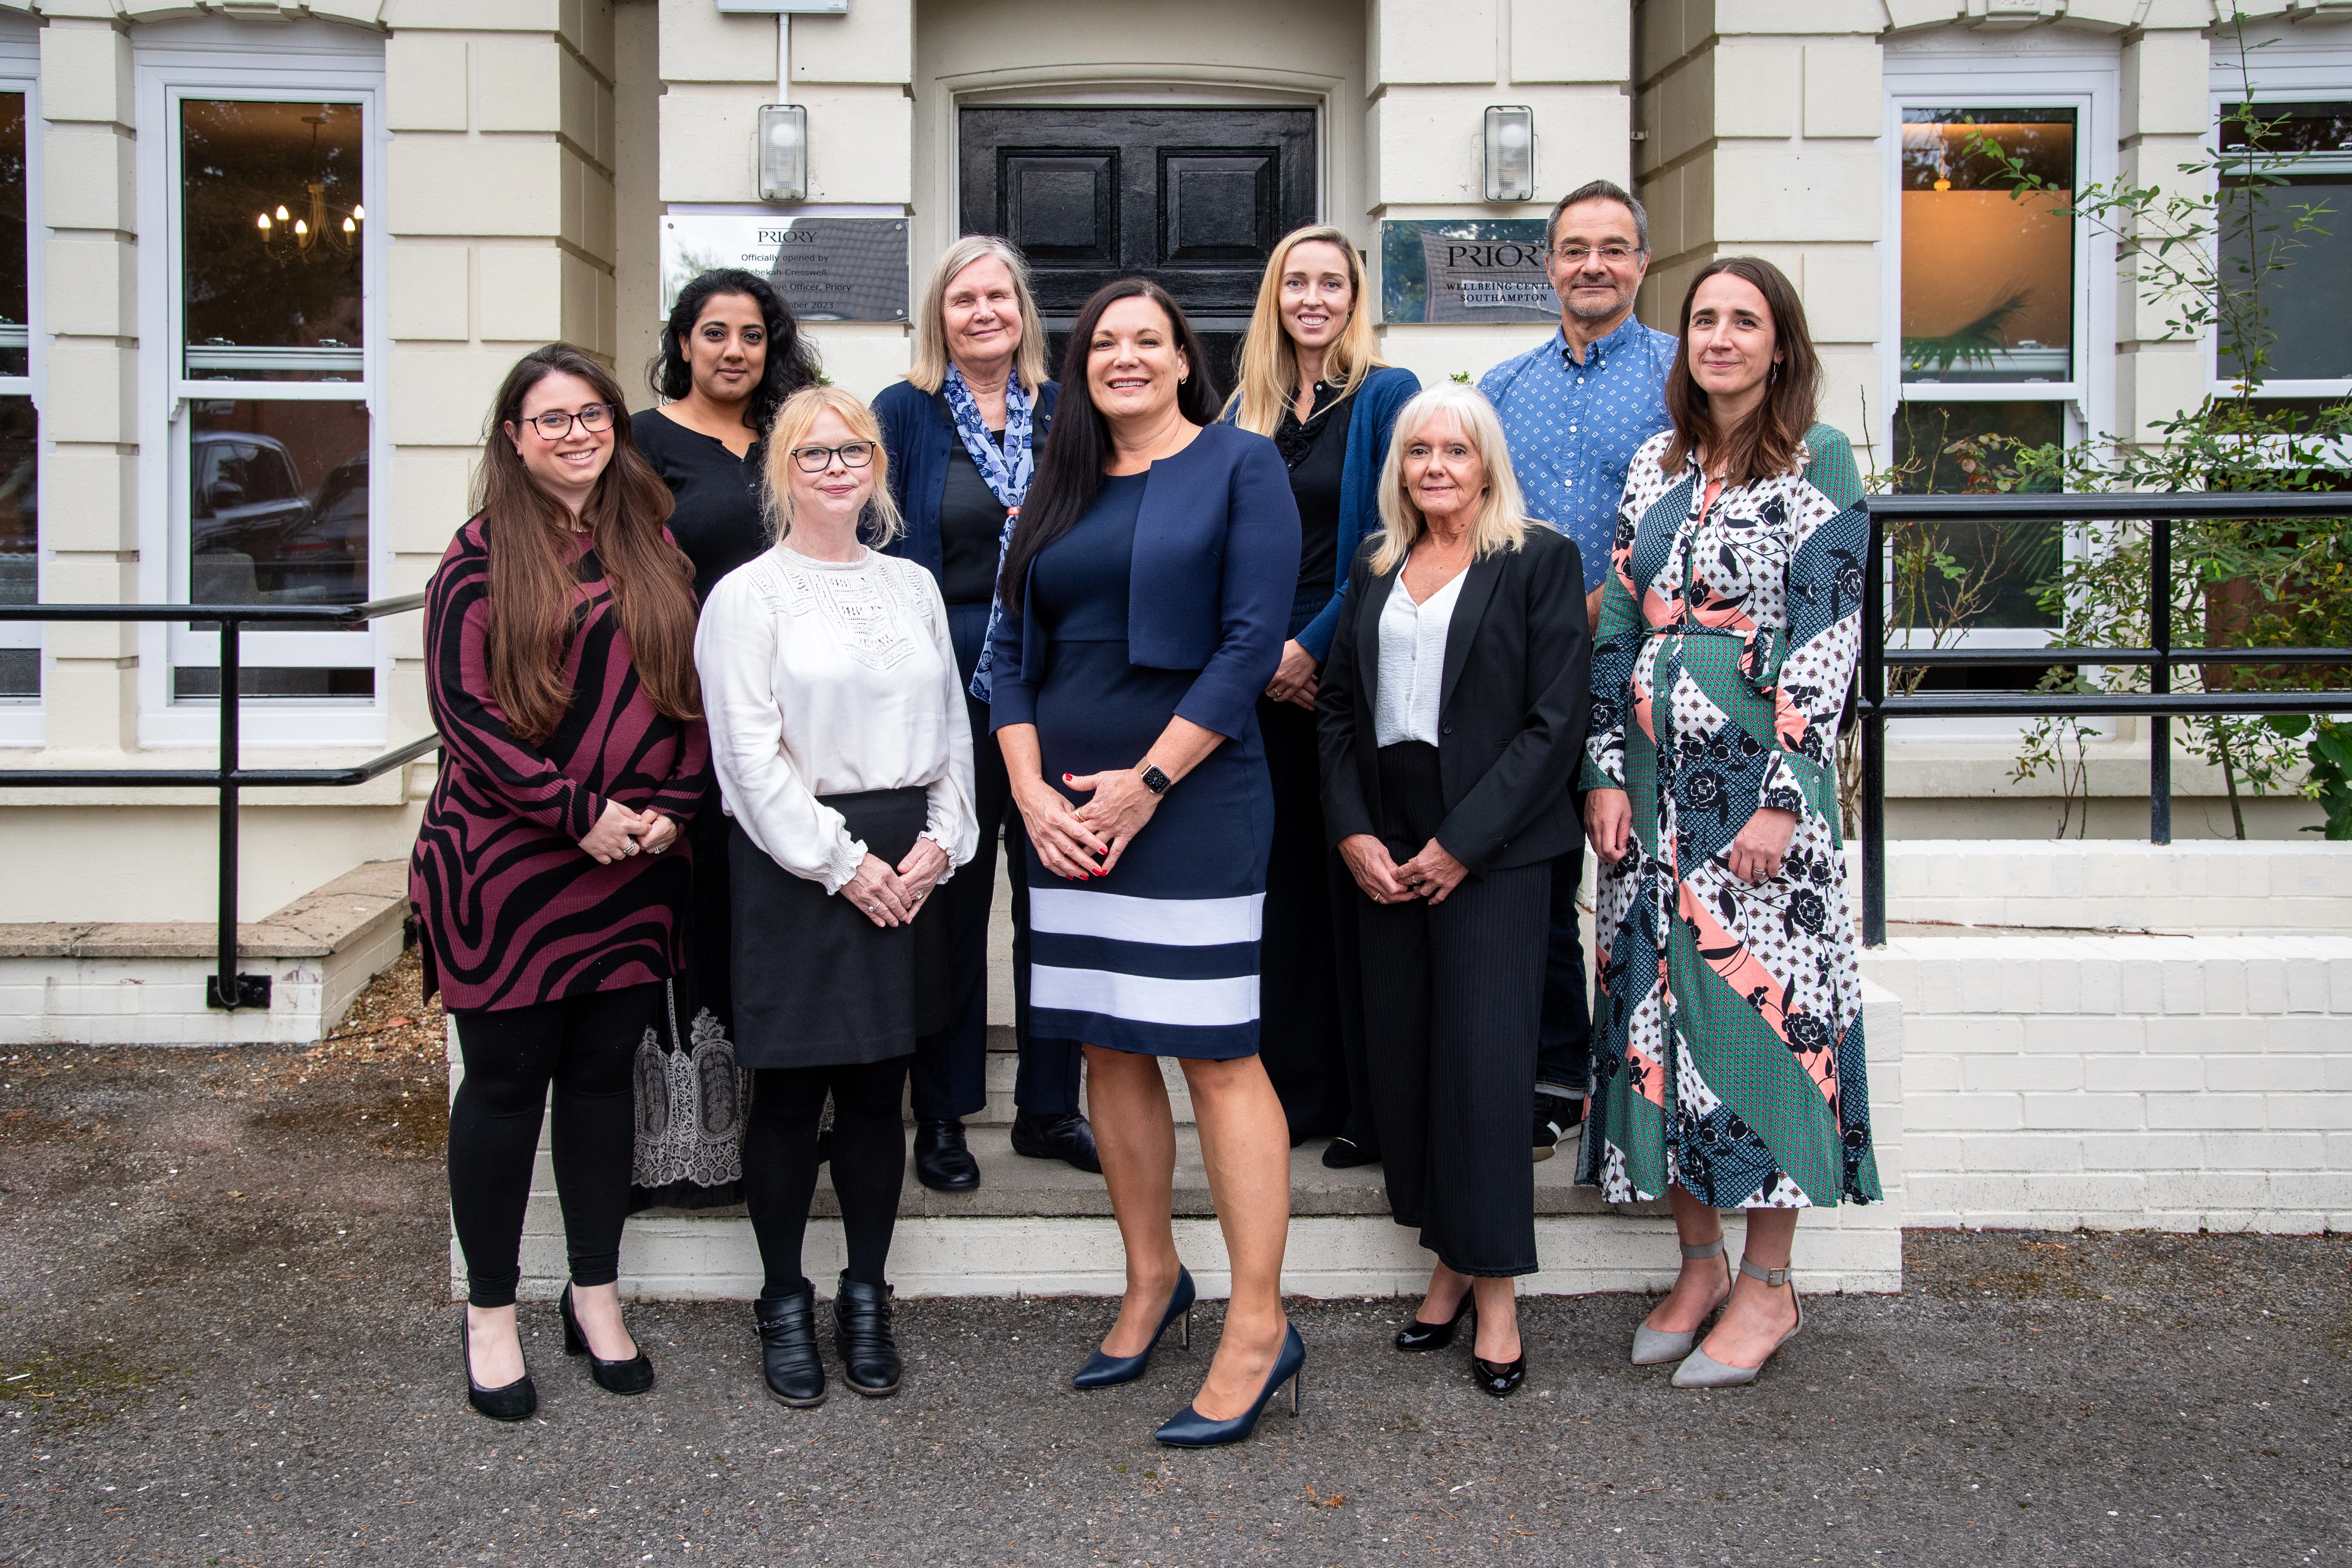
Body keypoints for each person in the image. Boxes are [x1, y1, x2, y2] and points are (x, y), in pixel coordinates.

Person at [986, 278, 1304, 1447]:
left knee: (1218, 1056)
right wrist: (1027, 791)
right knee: (1106, 1046)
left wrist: (1148, 784)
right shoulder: (1055, 488)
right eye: (1102, 343)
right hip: (1065, 809)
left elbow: (1249, 646)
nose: (1123, 357)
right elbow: (1010, 652)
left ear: (1184, 360)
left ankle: (1261, 1323)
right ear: (1081, 370)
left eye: (1146, 341)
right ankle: (1150, 1279)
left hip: (1193, 798)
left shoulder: (1240, 467)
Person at [1581, 256, 1881, 1389]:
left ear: (1780, 343)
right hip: (1651, 802)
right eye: (1703, 318)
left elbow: (1827, 635)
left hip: (1757, 797)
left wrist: (1788, 796)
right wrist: (1603, 775)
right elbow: (1614, 629)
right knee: (1662, 1021)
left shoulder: (1821, 461)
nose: (1718, 337)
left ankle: (1769, 1286)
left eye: (1742, 321)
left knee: (1761, 1030)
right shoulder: (1656, 465)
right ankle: (1698, 1262)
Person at [412, 343, 710, 1421]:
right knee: (503, 1089)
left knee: (598, 1086)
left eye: (592, 414)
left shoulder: (652, 543)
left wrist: (672, 807)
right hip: (507, 866)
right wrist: (579, 815)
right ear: (513, 438)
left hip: (635, 870)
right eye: (552, 419)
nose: (577, 433)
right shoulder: (475, 560)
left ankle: (595, 1295)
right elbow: (466, 720)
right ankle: (492, 1311)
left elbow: (691, 698)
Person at [697, 384, 978, 1407]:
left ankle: (867, 1294)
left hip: (909, 864)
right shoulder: (746, 597)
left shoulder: (910, 587)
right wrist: (844, 863)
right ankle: (782, 1300)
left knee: (875, 1095)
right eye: (812, 453)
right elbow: (746, 759)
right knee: (787, 1098)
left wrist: (942, 844)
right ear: (783, 470)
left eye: (851, 449)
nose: (835, 466)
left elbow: (952, 731)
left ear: (876, 464)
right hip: (798, 861)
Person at [1315, 383, 1591, 1401]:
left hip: (1496, 843)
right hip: (1383, 835)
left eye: (1456, 450)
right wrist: (1350, 829)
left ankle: (1497, 1296)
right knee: (1410, 1062)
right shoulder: (1377, 562)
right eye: (1419, 449)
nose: (1436, 465)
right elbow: (1338, 709)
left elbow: (1554, 722)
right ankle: (1446, 1264)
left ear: (1488, 463)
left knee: (1482, 1070)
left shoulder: (1539, 561)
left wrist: (1463, 843)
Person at [874, 236, 1096, 1192]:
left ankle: (1050, 1105)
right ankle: (945, 1110)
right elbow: (880, 545)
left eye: (997, 296)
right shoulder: (905, 412)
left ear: (1022, 310)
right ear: (940, 315)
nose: (982, 313)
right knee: (952, 902)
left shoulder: (1071, 411)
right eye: (963, 299)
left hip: (1057, 685)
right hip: (946, 688)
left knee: (1058, 896)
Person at [1480, 180, 1678, 1164]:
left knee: (1649, 883)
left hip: (1646, 674)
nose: (1591, 264)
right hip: (1525, 680)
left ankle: (1655, 1094)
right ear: (1549, 265)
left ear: (1642, 262)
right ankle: (1555, 1074)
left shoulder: (1684, 378)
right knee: (1539, 877)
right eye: (1572, 248)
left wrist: (1582, 611)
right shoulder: (1503, 387)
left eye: (1612, 248)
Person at [1220, 224, 1421, 1163]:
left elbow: (1396, 534)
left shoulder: (1387, 395)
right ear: (1276, 293)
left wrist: (1310, 647)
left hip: (1343, 668)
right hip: (1255, 674)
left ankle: (1365, 1104)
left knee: (1351, 882)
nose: (1312, 297)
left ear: (1354, 296)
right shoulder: (1244, 409)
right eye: (1295, 280)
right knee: (1281, 886)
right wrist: (1257, 653)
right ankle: (1292, 1093)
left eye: (1331, 282)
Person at [629, 268, 824, 1211]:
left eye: (752, 334)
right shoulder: (643, 441)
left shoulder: (792, 440)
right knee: (694, 912)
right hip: (686, 711)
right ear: (684, 342)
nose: (735, 351)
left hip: (798, 720)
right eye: (715, 333)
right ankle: (688, 1142)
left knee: (776, 907)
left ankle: (787, 1122)